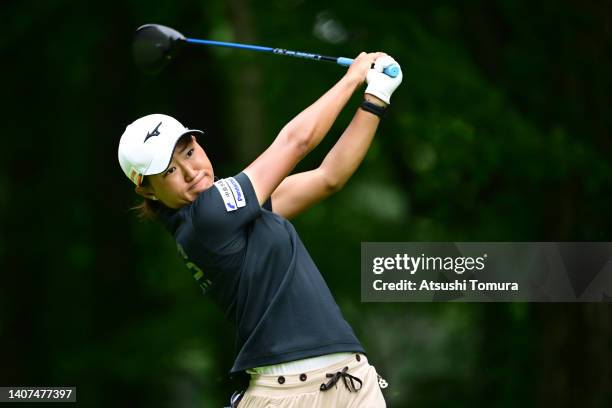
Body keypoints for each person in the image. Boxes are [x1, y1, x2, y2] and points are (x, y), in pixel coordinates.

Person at [118, 52, 402, 407]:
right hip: (291, 394)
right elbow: (294, 143)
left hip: (351, 380)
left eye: (189, 153)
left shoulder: (230, 216)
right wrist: (353, 78)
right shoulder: (209, 215)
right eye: (170, 172)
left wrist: (375, 99)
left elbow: (328, 177)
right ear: (146, 190)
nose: (191, 172)